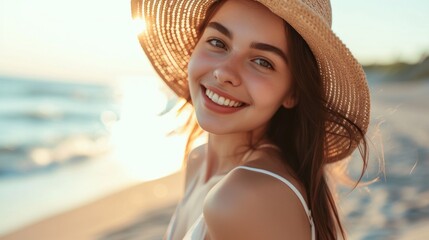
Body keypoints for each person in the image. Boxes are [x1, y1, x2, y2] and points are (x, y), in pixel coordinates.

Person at [131, 0, 371, 239]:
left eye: (262, 62)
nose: (225, 73)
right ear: (195, 44)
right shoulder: (198, 161)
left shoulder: (246, 196)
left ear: (293, 92)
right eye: (217, 42)